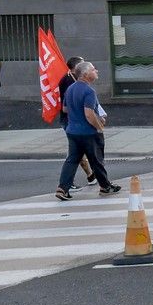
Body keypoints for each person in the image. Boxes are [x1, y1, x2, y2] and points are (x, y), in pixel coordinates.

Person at [55, 61, 122, 201]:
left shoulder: (70, 88)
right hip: (88, 132)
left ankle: (62, 188)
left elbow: (65, 109)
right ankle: (105, 187)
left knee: (72, 159)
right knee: (96, 160)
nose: (96, 71)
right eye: (93, 69)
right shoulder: (88, 91)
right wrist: (99, 126)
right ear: (85, 74)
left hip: (72, 131)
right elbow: (89, 114)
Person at [58, 56, 96, 190]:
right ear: (76, 68)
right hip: (72, 121)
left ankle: (91, 175)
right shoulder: (68, 82)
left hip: (74, 121)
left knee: (78, 152)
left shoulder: (75, 81)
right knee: (75, 153)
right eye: (83, 63)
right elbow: (66, 107)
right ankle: (68, 183)